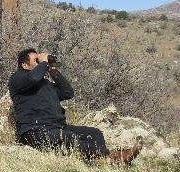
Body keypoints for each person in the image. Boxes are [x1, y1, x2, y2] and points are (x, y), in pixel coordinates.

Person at [8, 48, 142, 164]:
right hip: (35, 130)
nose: (40, 63)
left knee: (94, 133)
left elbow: (67, 92)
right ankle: (113, 156)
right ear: (25, 65)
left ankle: (101, 160)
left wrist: (53, 69)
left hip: (56, 127)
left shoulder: (45, 84)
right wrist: (43, 63)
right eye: (35, 61)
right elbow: (32, 78)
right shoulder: (17, 79)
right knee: (69, 137)